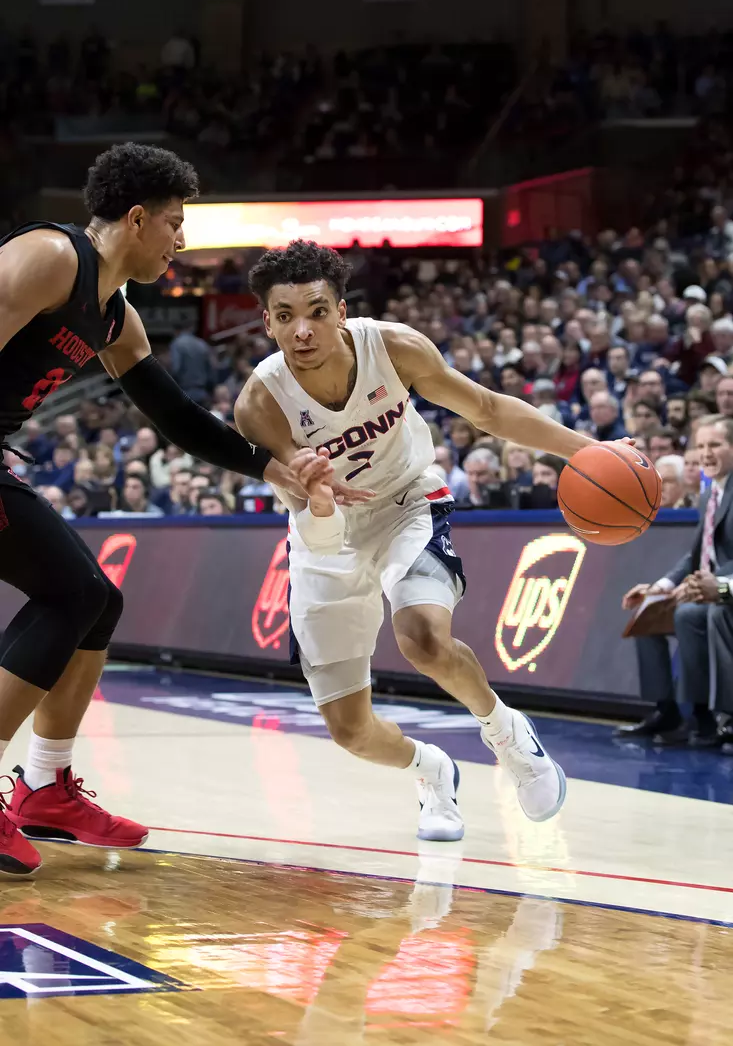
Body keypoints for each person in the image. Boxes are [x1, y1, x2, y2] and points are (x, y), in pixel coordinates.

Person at [0, 143, 339, 876]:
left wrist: (272, 467)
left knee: (95, 602)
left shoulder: (117, 319)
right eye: (176, 224)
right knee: (74, 594)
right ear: (135, 219)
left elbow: (177, 415)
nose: (182, 241)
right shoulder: (50, 257)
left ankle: (45, 788)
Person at [234, 239, 623, 843]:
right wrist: (318, 498)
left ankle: (507, 737)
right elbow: (311, 515)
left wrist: (590, 452)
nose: (302, 331)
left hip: (406, 503)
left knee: (421, 635)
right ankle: (431, 770)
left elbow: (489, 411)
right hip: (326, 537)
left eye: (315, 311)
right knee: (349, 729)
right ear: (268, 323)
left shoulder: (394, 348)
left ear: (341, 311)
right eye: (285, 317)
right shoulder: (260, 403)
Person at [617, 416, 733, 746]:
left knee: (690, 614)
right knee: (648, 610)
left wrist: (706, 583)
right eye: (700, 446)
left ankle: (706, 716)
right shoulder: (709, 495)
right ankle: (666, 712)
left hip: (723, 591)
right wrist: (663, 585)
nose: (706, 454)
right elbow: (696, 554)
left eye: (715, 445)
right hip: (706, 587)